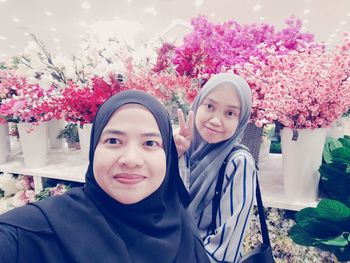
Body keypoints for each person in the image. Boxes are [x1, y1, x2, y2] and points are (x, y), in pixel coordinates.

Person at [0, 90, 210, 263]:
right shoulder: (30, 234)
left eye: (150, 143)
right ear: (93, 149)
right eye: (113, 141)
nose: (131, 159)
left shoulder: (184, 231)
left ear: (167, 158)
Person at [174, 73, 257, 263]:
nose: (216, 120)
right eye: (210, 106)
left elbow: (225, 249)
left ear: (241, 119)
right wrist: (174, 156)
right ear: (197, 105)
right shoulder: (181, 147)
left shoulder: (239, 163)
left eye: (230, 113)